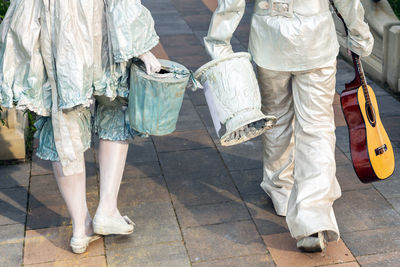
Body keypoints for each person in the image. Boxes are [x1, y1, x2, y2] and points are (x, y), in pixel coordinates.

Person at [204, 0, 373, 252]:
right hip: (315, 40)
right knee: (316, 128)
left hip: (269, 40)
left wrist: (218, 43)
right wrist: (359, 35)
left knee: (277, 120)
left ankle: (281, 189)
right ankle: (313, 216)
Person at [0, 0, 161, 253]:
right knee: (115, 106)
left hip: (53, 29)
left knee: (63, 120)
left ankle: (80, 228)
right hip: (98, 23)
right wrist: (140, 48)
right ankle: (106, 210)